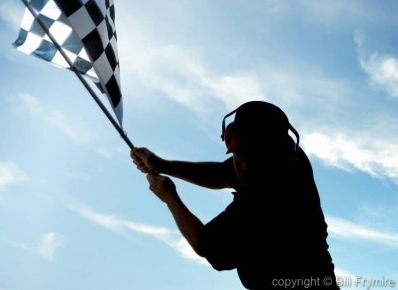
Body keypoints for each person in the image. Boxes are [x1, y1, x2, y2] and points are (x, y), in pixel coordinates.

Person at [130, 101, 340, 289]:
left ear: (273, 155)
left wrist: (170, 198)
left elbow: (207, 246)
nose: (244, 165)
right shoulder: (286, 156)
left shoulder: (267, 199)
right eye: (239, 153)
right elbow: (219, 175)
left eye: (255, 157)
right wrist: (162, 165)